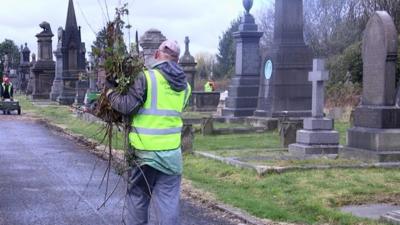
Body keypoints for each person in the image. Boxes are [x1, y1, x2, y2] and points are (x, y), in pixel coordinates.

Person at [106, 40, 191, 225]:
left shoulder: (147, 78)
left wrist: (110, 93)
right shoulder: (185, 87)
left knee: (138, 197)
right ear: (176, 60)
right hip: (172, 156)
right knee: (168, 202)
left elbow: (127, 107)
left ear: (158, 55)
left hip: (144, 155)